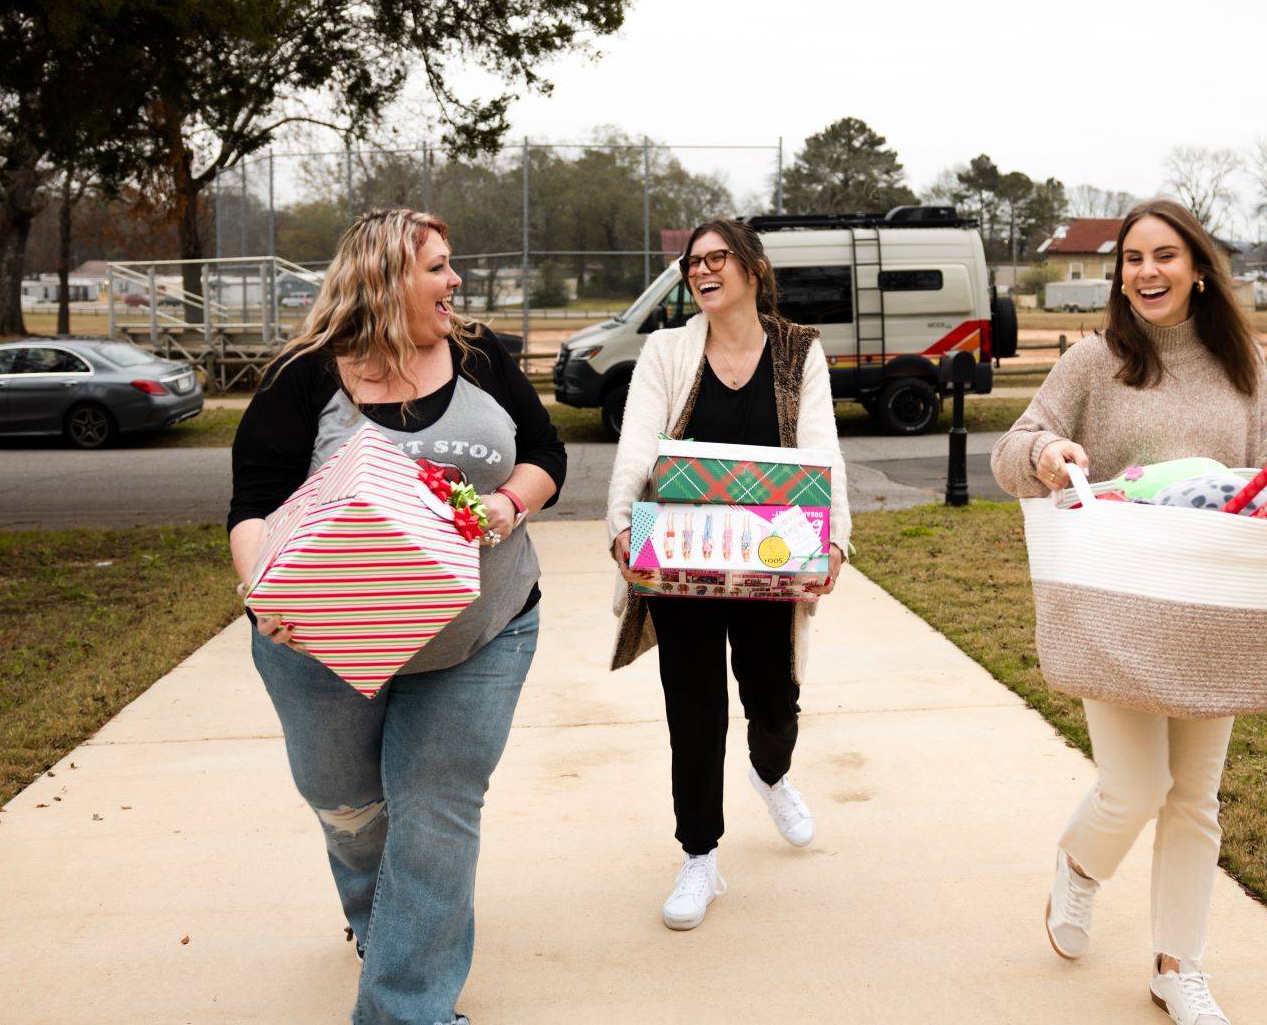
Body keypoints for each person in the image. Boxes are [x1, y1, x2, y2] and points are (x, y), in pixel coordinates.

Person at [228, 208, 565, 1025]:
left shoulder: (482, 355)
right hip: (326, 647)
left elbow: (545, 456)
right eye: (439, 268)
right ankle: (381, 924)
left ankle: (402, 1006)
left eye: (453, 267)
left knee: (435, 810)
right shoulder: (304, 376)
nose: (456, 283)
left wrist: (508, 506)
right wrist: (267, 591)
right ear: (385, 278)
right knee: (347, 806)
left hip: (479, 635)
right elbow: (252, 510)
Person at [990, 199, 1267, 1025]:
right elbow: (1011, 450)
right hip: (1119, 608)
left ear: (1199, 268)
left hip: (1212, 611)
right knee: (1135, 787)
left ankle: (1177, 968)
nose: (1146, 273)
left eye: (1164, 256)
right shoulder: (1094, 362)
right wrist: (1047, 454)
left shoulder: (1243, 366)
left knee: (1195, 797)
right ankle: (1080, 867)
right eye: (1132, 259)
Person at [604, 217, 852, 932]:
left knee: (773, 701)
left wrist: (833, 543)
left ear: (753, 268)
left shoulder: (799, 352)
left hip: (772, 557)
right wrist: (623, 526)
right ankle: (700, 856)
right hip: (679, 550)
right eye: (693, 262)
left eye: (718, 258)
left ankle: (770, 772)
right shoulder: (667, 350)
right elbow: (637, 446)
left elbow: (823, 452)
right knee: (694, 705)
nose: (703, 271)